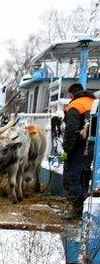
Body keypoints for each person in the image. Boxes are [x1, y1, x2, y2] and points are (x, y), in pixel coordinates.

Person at [61, 83, 97, 212]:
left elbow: (71, 130)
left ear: (72, 94)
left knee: (71, 177)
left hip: (80, 147)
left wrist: (66, 149)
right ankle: (84, 209)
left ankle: (77, 208)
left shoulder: (75, 105)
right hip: (95, 146)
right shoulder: (95, 102)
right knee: (85, 176)